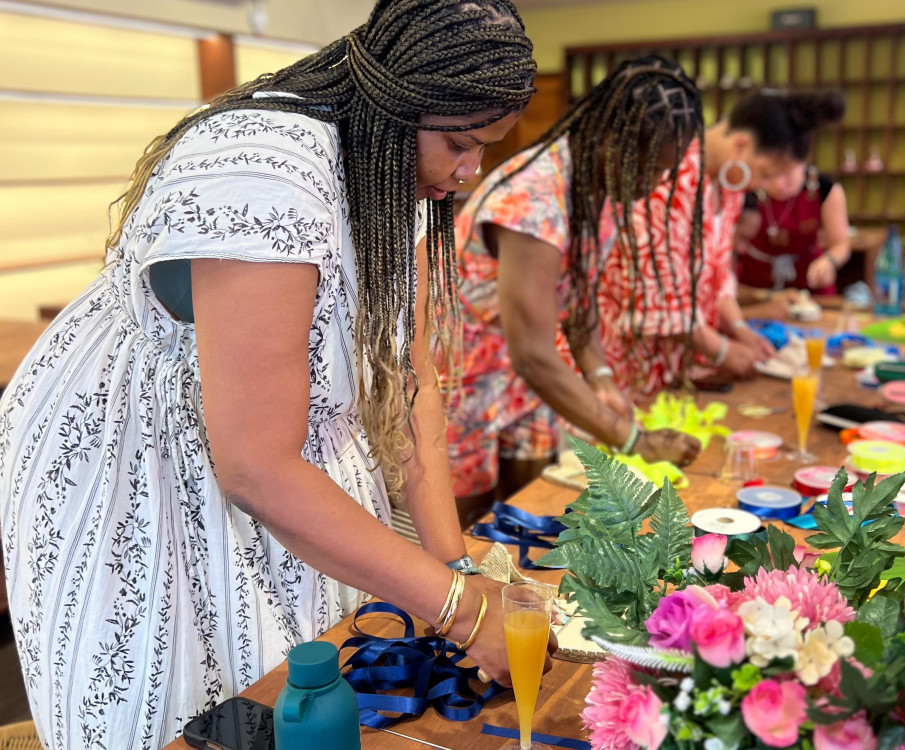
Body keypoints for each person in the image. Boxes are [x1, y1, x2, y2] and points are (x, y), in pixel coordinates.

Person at [0, 2, 540, 747]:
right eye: (459, 142)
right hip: (151, 462)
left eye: (485, 147)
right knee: (203, 706)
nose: (469, 169)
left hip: (281, 450)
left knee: (317, 679)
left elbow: (410, 382)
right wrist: (457, 606)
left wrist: (451, 565)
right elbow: (253, 464)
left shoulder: (398, 173)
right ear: (392, 105)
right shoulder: (263, 170)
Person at [446, 56, 704, 516]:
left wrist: (599, 376)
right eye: (648, 169)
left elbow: (577, 298)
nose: (656, 184)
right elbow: (533, 354)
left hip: (525, 385)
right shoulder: (534, 201)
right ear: (612, 142)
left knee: (530, 516)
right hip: (462, 381)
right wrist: (635, 441)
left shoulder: (594, 182)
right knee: (469, 533)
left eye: (667, 170)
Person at [598, 90, 846, 394]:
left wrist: (739, 328)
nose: (764, 187)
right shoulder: (669, 176)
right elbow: (658, 299)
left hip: (673, 369)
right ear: (740, 146)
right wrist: (723, 350)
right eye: (767, 174)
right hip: (621, 367)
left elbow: (719, 275)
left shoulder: (728, 188)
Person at [735, 162, 851, 299]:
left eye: (787, 174)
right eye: (770, 175)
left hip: (810, 286)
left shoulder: (824, 188)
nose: (779, 184)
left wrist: (829, 261)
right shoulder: (745, 186)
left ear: (802, 163)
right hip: (754, 288)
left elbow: (841, 244)